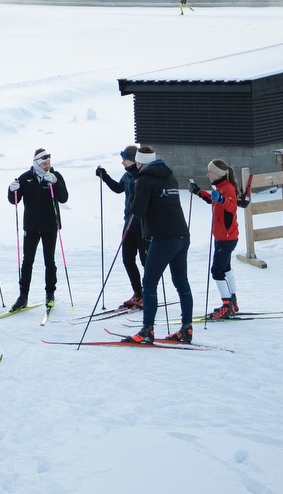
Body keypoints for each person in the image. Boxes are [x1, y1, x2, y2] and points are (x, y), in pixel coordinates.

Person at [125, 145, 194, 345]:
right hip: (182, 235)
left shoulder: (144, 180)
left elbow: (137, 211)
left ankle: (147, 330)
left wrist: (132, 191)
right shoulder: (168, 176)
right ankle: (186, 328)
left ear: (139, 162)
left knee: (149, 283)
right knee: (181, 283)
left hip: (164, 238)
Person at [7, 147, 67, 311]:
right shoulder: (26, 178)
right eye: (44, 163)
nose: (47, 165)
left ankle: (50, 295)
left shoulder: (55, 176)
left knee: (50, 261)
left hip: (50, 226)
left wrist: (56, 182)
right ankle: (23, 296)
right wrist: (11, 190)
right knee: (27, 262)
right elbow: (15, 200)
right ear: (37, 163)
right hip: (31, 227)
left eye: (49, 162)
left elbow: (63, 198)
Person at [190, 160, 250, 319]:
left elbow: (231, 206)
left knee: (217, 271)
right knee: (225, 268)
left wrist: (222, 199)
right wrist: (198, 192)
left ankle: (227, 305)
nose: (208, 174)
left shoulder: (227, 188)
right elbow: (213, 199)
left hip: (227, 237)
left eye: (210, 171)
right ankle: (232, 302)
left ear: (218, 173)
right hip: (223, 236)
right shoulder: (221, 187)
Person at [95, 145, 145, 307]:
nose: (122, 162)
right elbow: (118, 188)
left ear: (133, 160)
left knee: (146, 261)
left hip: (143, 224)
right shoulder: (127, 175)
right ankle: (138, 292)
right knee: (127, 259)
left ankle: (149, 294)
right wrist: (104, 176)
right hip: (128, 223)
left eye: (124, 159)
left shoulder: (143, 176)